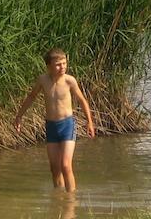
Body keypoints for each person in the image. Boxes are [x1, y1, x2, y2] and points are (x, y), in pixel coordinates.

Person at [14, 48, 96, 192]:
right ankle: (59, 199)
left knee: (65, 165)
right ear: (49, 66)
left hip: (67, 125)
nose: (62, 67)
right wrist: (19, 116)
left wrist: (89, 122)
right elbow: (31, 97)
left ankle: (71, 200)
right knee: (54, 168)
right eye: (58, 64)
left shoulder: (70, 81)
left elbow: (82, 100)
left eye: (64, 63)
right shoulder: (43, 80)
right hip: (51, 126)